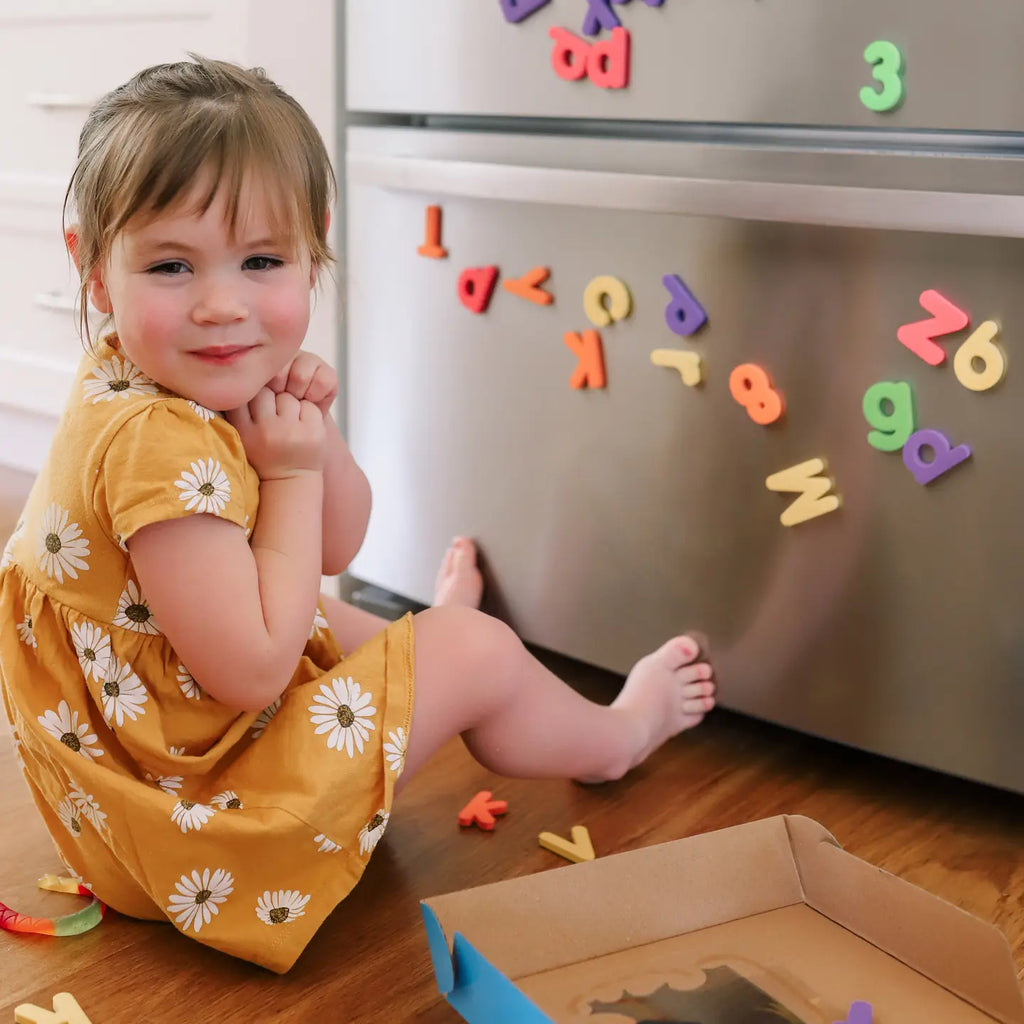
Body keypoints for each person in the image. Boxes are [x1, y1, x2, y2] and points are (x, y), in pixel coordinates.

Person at [0, 56, 716, 973]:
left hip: (146, 774)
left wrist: (315, 442)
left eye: (262, 261)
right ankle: (615, 739)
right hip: (198, 834)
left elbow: (335, 545)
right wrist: (291, 475)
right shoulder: (155, 442)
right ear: (94, 269)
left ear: (313, 248)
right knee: (474, 652)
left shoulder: (152, 367)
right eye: (172, 265)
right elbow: (257, 669)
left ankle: (444, 644)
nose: (223, 305)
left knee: (368, 628)